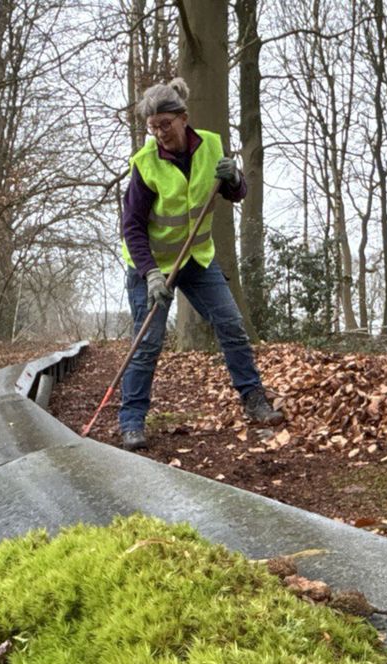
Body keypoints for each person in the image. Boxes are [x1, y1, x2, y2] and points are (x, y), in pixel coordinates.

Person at [118, 77, 285, 452]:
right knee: (147, 343)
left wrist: (235, 178)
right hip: (152, 266)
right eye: (153, 127)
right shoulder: (145, 164)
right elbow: (131, 226)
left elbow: (235, 192)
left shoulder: (210, 144)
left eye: (166, 124)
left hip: (196, 258)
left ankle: (254, 399)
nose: (160, 133)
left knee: (230, 323)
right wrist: (151, 274)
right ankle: (131, 421)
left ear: (183, 119)